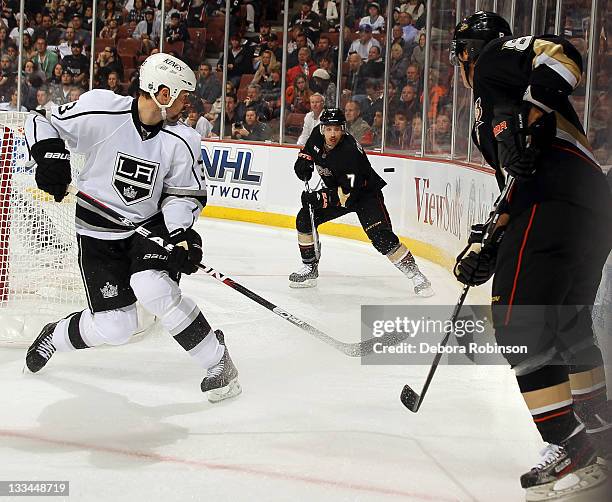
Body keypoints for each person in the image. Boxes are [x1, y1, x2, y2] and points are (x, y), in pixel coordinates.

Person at [450, 11, 612, 499]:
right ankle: (599, 431)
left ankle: (572, 447)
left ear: (466, 52)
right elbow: (514, 184)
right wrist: (490, 243)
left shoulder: (493, 63)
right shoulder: (490, 110)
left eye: (459, 52)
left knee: (518, 322)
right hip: (587, 205)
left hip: (555, 196)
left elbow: (565, 54)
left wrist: (527, 110)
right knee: (567, 321)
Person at [23, 52, 241, 403]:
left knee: (152, 286)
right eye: (183, 94)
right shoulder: (102, 110)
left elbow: (182, 195)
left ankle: (218, 362)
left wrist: (182, 233)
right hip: (96, 234)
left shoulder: (183, 140)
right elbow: (40, 120)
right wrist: (50, 154)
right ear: (161, 91)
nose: (187, 102)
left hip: (146, 227)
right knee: (116, 327)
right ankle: (55, 335)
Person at [289, 108, 433, 296]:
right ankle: (309, 267)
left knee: (381, 237)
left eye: (337, 129)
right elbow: (308, 152)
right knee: (304, 218)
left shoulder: (350, 153)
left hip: (364, 194)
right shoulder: (317, 134)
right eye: (329, 129)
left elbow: (347, 195)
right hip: (340, 189)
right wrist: (303, 163)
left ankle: (416, 275)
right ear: (322, 128)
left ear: (343, 129)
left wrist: (318, 198)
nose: (333, 134)